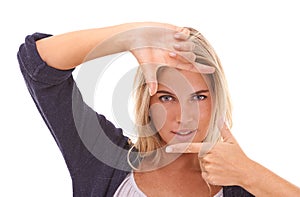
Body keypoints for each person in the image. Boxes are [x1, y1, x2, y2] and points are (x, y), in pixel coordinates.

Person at [17, 22, 300, 197]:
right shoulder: (103, 160)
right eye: (167, 98)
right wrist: (130, 37)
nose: (184, 116)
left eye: (199, 97)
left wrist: (250, 174)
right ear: (147, 102)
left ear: (217, 100)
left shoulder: (241, 186)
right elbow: (38, 65)